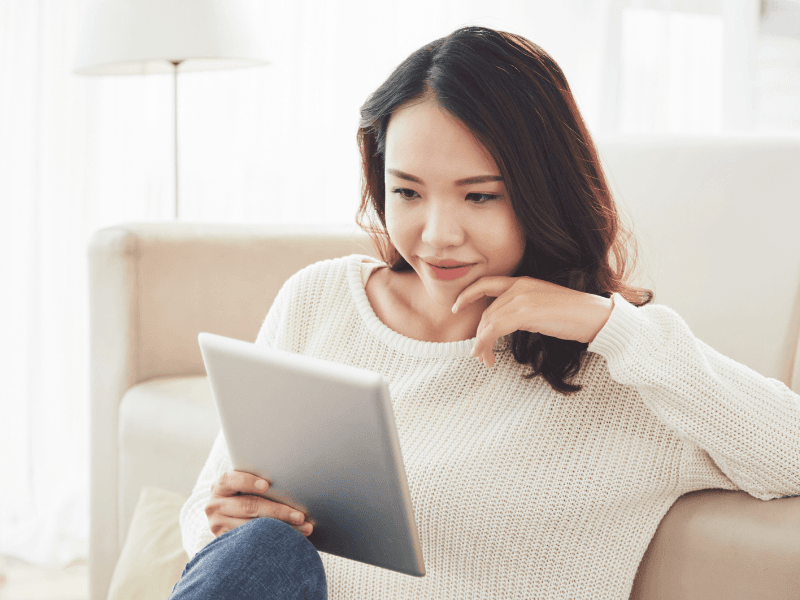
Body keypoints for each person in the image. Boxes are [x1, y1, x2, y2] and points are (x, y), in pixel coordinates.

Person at [169, 25, 800, 600]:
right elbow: (210, 509)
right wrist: (220, 519)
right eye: (407, 192)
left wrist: (608, 327)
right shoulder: (320, 301)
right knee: (262, 548)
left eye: (479, 196)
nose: (438, 235)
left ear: (542, 194)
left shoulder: (624, 370)